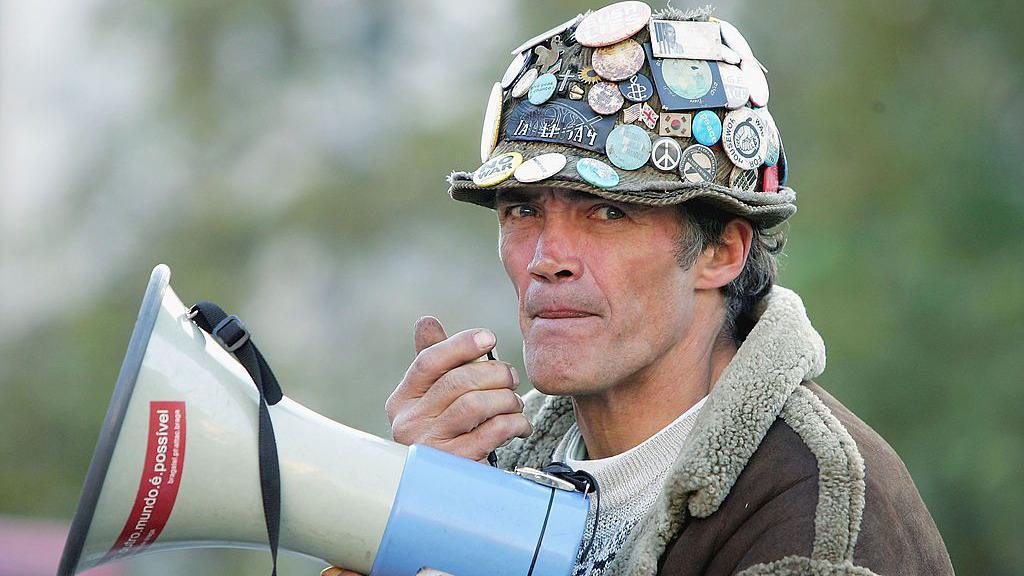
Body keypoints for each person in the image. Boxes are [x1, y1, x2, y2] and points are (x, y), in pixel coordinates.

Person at [324, 3, 954, 575]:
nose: (547, 260)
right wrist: (401, 514)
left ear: (721, 252)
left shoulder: (813, 507)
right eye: (522, 211)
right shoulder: (510, 466)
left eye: (607, 213)